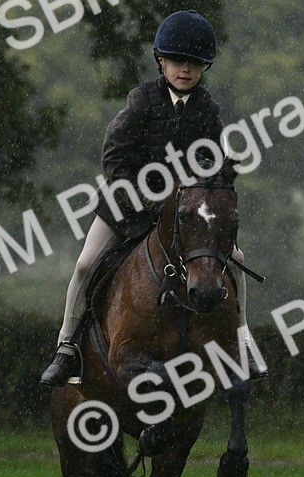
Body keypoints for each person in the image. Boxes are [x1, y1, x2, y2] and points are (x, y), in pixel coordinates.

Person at [41, 9, 266, 387]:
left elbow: (209, 166)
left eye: (195, 63)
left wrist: (200, 197)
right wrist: (143, 199)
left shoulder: (208, 111)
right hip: (125, 205)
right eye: (178, 61)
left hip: (185, 213)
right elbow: (114, 155)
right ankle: (66, 347)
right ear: (161, 61)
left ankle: (243, 341)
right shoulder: (142, 100)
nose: (186, 70)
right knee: (84, 264)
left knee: (237, 260)